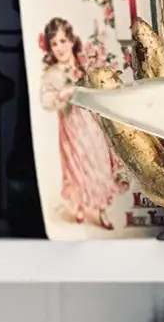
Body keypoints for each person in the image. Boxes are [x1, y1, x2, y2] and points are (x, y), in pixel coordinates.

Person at [38, 17, 125, 230]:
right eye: (55, 43)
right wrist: (61, 96)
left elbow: (98, 88)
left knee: (98, 163)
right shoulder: (53, 73)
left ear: (71, 41)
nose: (59, 48)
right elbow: (46, 100)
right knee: (76, 166)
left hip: (91, 123)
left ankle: (102, 210)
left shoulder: (84, 64)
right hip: (70, 126)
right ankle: (79, 207)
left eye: (63, 41)